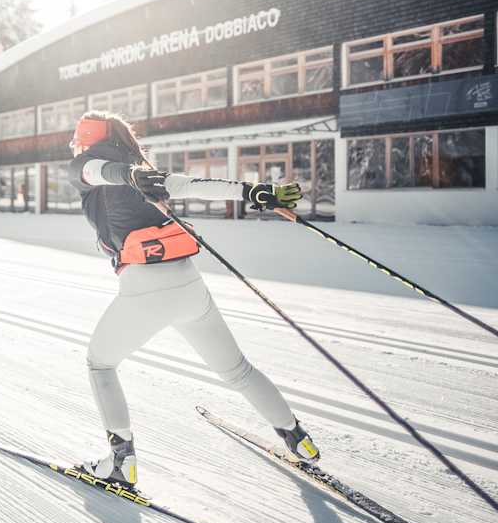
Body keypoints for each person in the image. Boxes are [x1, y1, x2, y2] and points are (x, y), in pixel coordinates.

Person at [67, 111, 319, 488]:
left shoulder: (90, 166)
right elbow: (194, 184)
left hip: (144, 291)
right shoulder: (139, 170)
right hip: (189, 286)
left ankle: (121, 461)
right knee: (238, 371)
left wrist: (129, 174)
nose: (76, 149)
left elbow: (94, 171)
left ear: (85, 142)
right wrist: (253, 192)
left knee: (100, 365)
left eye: (77, 142)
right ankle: (299, 441)